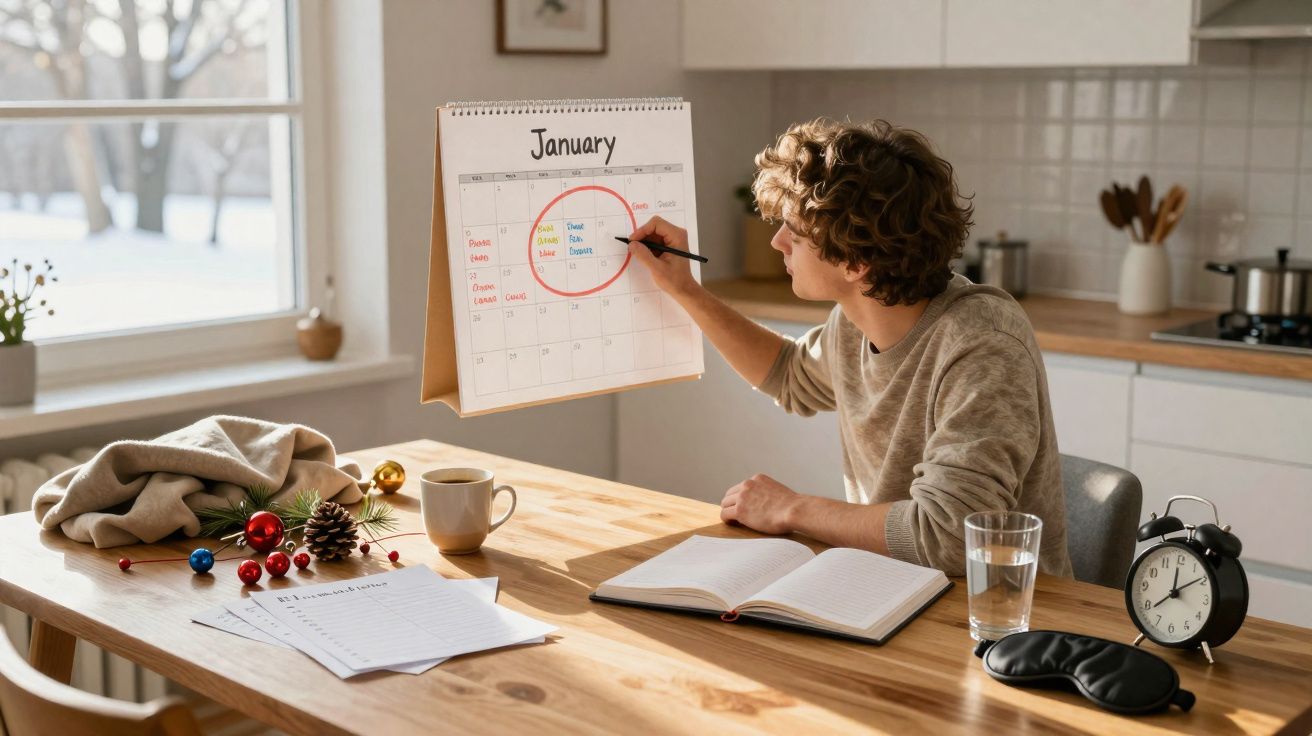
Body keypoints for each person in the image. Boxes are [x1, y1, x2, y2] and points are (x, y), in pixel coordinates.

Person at [626, 118, 1072, 577]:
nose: (777, 242)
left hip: (1004, 622)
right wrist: (686, 290)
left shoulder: (982, 345)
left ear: (856, 262)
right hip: (895, 585)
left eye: (794, 234)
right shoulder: (855, 321)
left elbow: (949, 536)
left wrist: (793, 509)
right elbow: (789, 374)